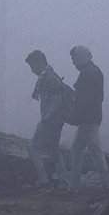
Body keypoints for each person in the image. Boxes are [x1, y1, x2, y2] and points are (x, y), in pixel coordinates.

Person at [64, 44, 108, 188]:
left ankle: (76, 185)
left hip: (88, 119)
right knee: (86, 149)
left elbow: (84, 100)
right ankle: (77, 184)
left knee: (86, 150)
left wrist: (74, 116)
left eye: (74, 58)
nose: (73, 62)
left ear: (81, 57)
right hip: (92, 117)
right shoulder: (93, 71)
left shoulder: (87, 73)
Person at [27, 50, 71, 187]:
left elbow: (57, 100)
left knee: (33, 147)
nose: (32, 70)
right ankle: (64, 180)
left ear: (39, 62)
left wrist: (46, 117)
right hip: (56, 120)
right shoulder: (49, 76)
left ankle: (43, 179)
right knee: (54, 150)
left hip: (50, 120)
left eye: (32, 66)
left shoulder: (49, 78)